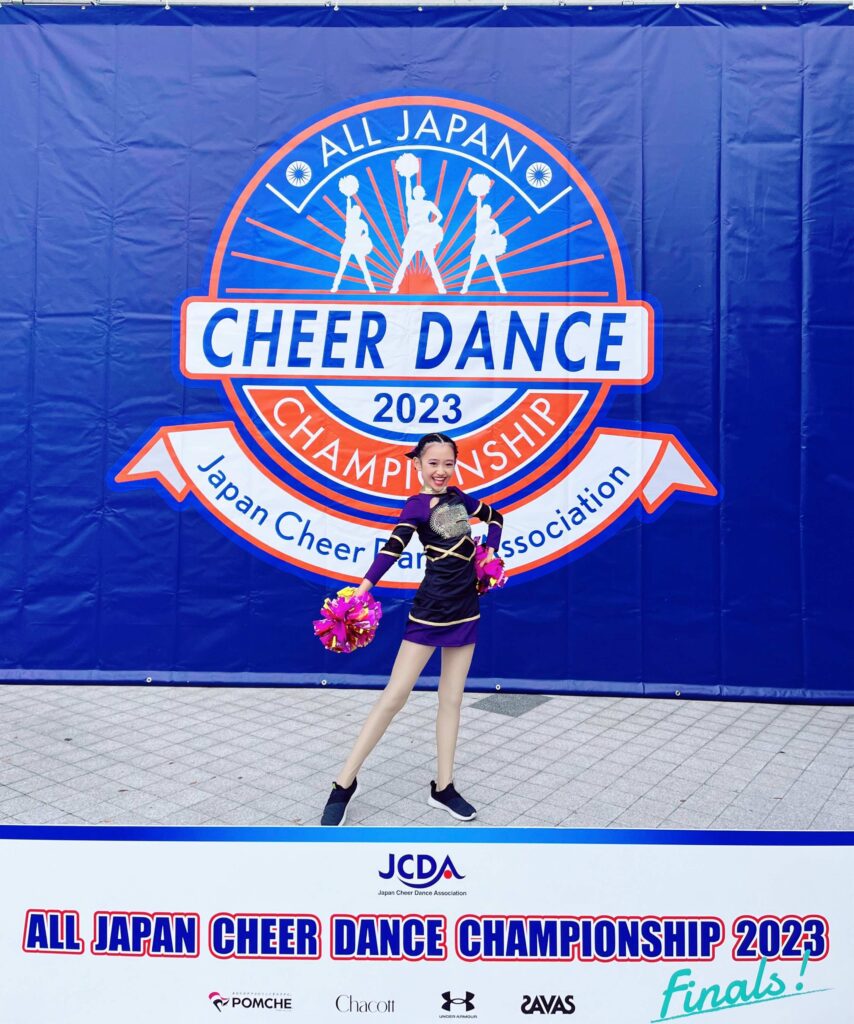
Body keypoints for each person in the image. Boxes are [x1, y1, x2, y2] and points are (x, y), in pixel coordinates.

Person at [320, 433, 504, 826]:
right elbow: (393, 548)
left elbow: (495, 517)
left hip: (466, 610)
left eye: (448, 463)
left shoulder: (461, 498)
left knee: (451, 699)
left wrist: (490, 554)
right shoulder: (416, 506)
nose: (441, 471)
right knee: (395, 695)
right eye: (433, 463)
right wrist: (363, 588)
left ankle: (443, 786)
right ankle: (344, 783)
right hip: (430, 610)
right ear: (417, 464)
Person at [460, 198, 507, 294]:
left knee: (494, 268)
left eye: (487, 211)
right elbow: (478, 208)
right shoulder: (480, 220)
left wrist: (493, 240)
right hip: (478, 246)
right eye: (484, 210)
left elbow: (498, 236)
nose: (486, 212)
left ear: (489, 212)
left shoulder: (493, 223)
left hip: (488, 247)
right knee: (472, 268)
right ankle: (464, 288)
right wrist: (478, 198)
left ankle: (502, 288)